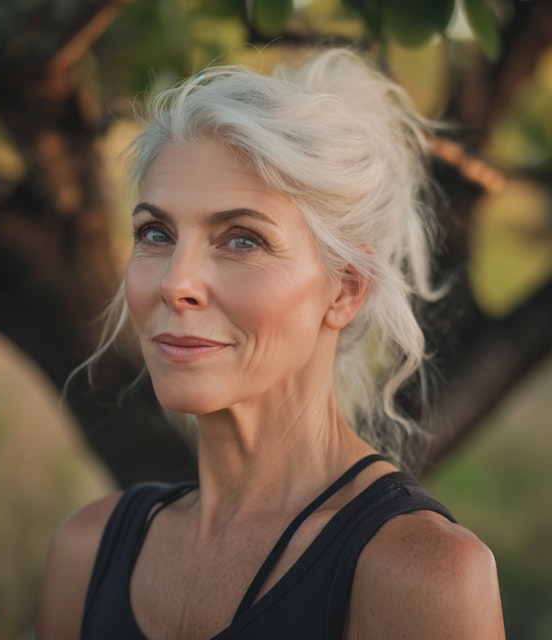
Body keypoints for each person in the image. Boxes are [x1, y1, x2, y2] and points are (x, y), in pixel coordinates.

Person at [37, 48, 505, 639]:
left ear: (345, 290)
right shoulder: (88, 551)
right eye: (156, 233)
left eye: (241, 241)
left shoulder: (417, 574)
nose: (176, 282)